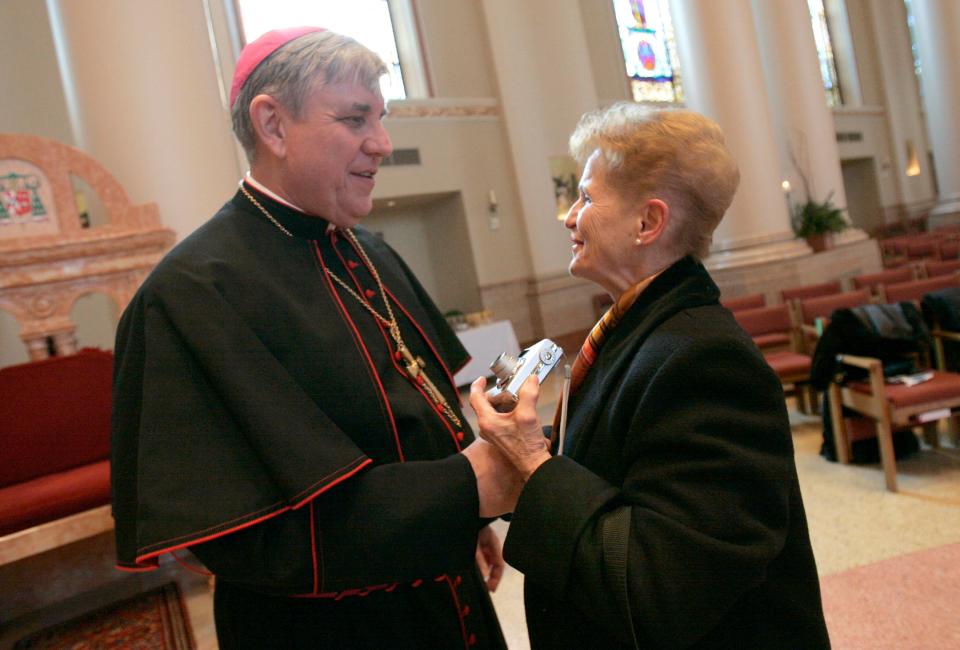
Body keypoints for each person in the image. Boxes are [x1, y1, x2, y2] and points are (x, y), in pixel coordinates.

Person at [111, 28, 514, 649]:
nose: (381, 143)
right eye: (355, 119)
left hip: (444, 587)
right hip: (327, 628)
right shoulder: (191, 294)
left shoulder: (370, 253)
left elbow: (419, 414)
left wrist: (463, 518)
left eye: (380, 118)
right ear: (272, 125)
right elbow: (248, 538)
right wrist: (466, 488)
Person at [470, 104, 831, 649]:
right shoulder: (640, 327)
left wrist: (532, 463)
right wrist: (528, 456)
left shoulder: (706, 359)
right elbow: (628, 470)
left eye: (588, 198)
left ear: (648, 222)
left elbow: (660, 588)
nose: (569, 216)